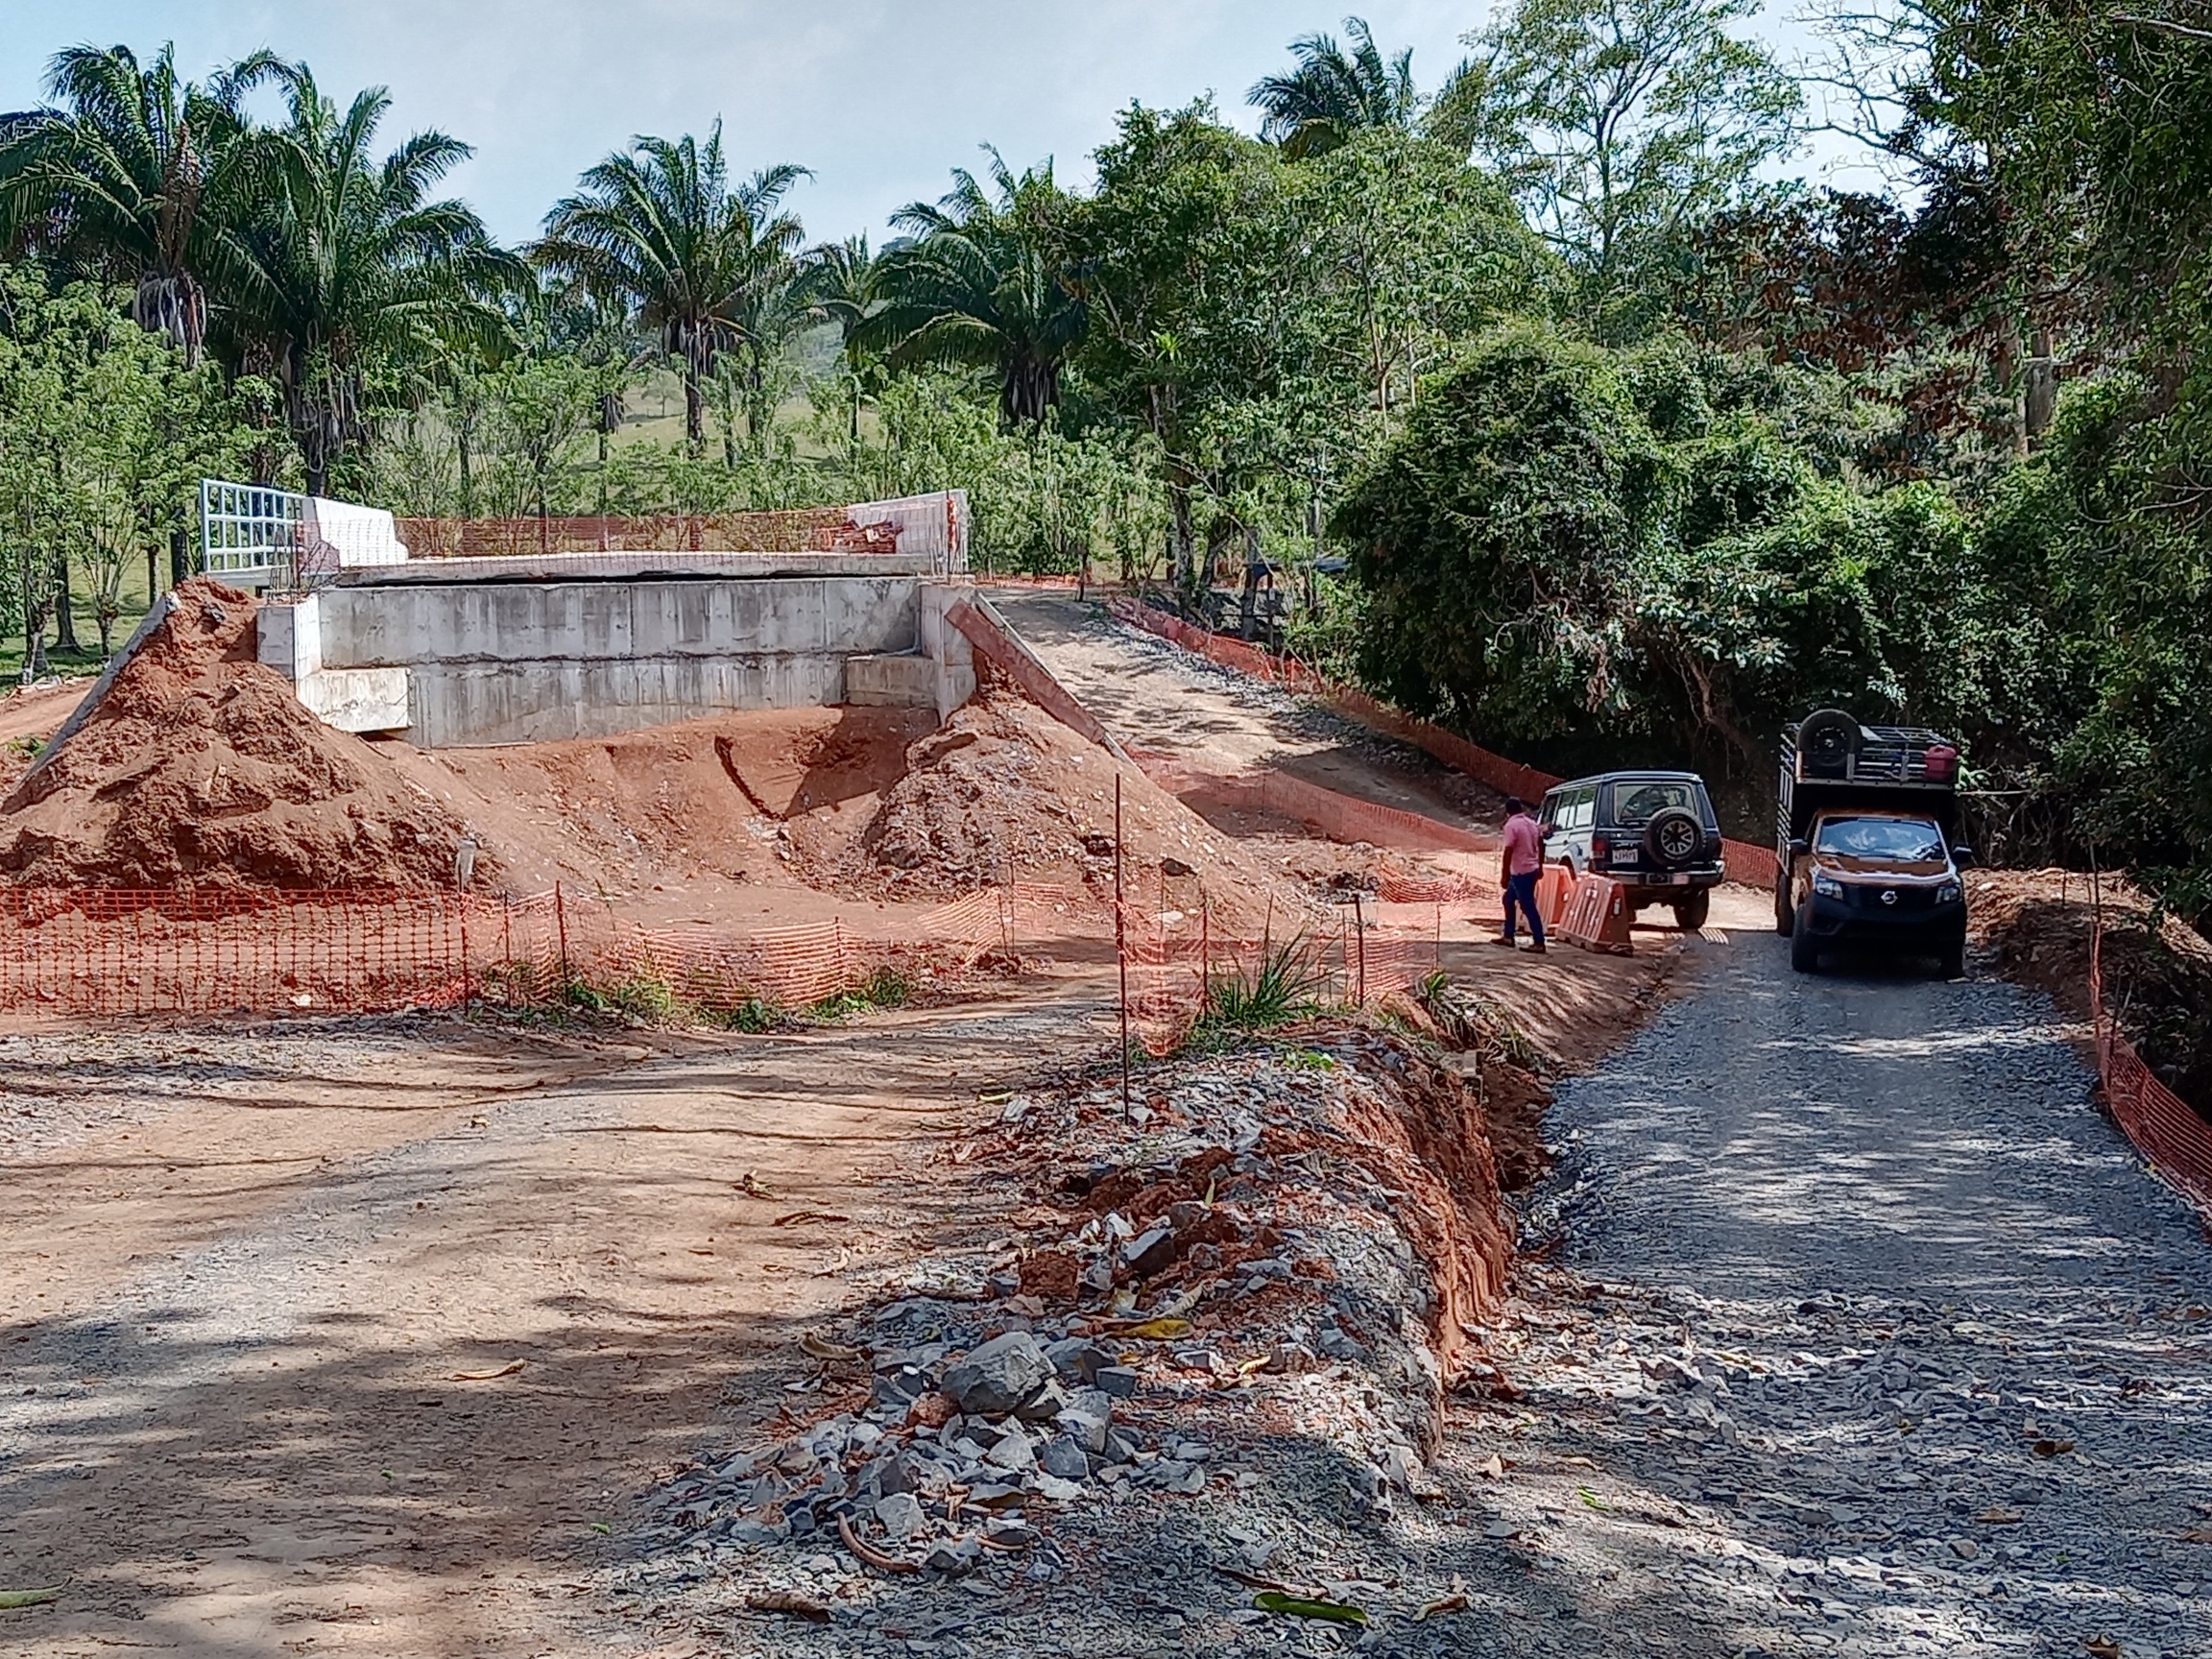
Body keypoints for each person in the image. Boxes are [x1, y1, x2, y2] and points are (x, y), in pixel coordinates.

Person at [1496, 796, 1547, 952]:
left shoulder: (1511, 825)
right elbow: (1541, 844)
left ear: (1507, 812)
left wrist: (1504, 875)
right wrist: (1540, 865)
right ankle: (1508, 936)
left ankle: (1539, 942)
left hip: (1520, 871)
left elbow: (1509, 850)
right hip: (1531, 869)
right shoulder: (1532, 824)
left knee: (1527, 905)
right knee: (1508, 899)